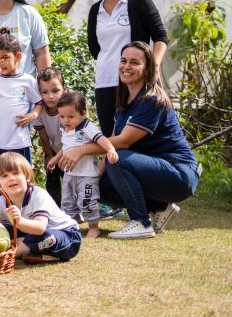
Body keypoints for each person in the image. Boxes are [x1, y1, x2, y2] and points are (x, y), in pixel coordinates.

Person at [58, 42, 200, 239]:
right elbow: (113, 139)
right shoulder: (124, 99)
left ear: (148, 68)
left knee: (118, 158)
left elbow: (122, 143)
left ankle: (141, 222)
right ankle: (159, 207)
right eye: (123, 61)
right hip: (153, 169)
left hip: (178, 173)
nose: (126, 66)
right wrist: (92, 177)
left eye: (135, 62)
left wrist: (81, 150)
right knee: (100, 185)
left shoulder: (152, 100)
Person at [87, 0, 168, 136]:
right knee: (110, 137)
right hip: (105, 81)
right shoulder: (95, 10)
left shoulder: (139, 1)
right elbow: (94, 48)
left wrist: (153, 66)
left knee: (134, 138)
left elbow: (160, 37)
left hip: (135, 80)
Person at [0, 152, 82, 264]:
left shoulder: (38, 195)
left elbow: (40, 228)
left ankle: (9, 255)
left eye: (15, 173)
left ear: (27, 177)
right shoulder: (2, 202)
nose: (11, 178)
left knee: (46, 236)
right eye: (5, 176)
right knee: (0, 230)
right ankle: (37, 253)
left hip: (66, 236)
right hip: (34, 237)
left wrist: (19, 221)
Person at [47, 92, 118, 239]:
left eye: (70, 117)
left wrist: (110, 149)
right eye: (62, 116)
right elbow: (66, 147)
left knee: (87, 200)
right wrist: (56, 158)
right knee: (67, 203)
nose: (65, 120)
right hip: (69, 174)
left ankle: (93, 227)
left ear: (83, 113)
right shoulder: (65, 128)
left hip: (86, 175)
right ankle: (71, 226)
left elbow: (102, 139)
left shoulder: (87, 127)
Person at [0, 30, 43, 165]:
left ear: (18, 56)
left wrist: (33, 114)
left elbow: (39, 102)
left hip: (18, 141)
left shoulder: (27, 80)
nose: (1, 63)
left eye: (5, 57)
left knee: (22, 175)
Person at [33, 67, 66, 204]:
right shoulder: (39, 111)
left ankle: (75, 209)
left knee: (70, 179)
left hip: (69, 149)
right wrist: (49, 154)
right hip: (53, 149)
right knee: (52, 180)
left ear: (64, 88)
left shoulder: (69, 107)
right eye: (44, 92)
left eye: (55, 91)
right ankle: (54, 208)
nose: (50, 96)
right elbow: (43, 133)